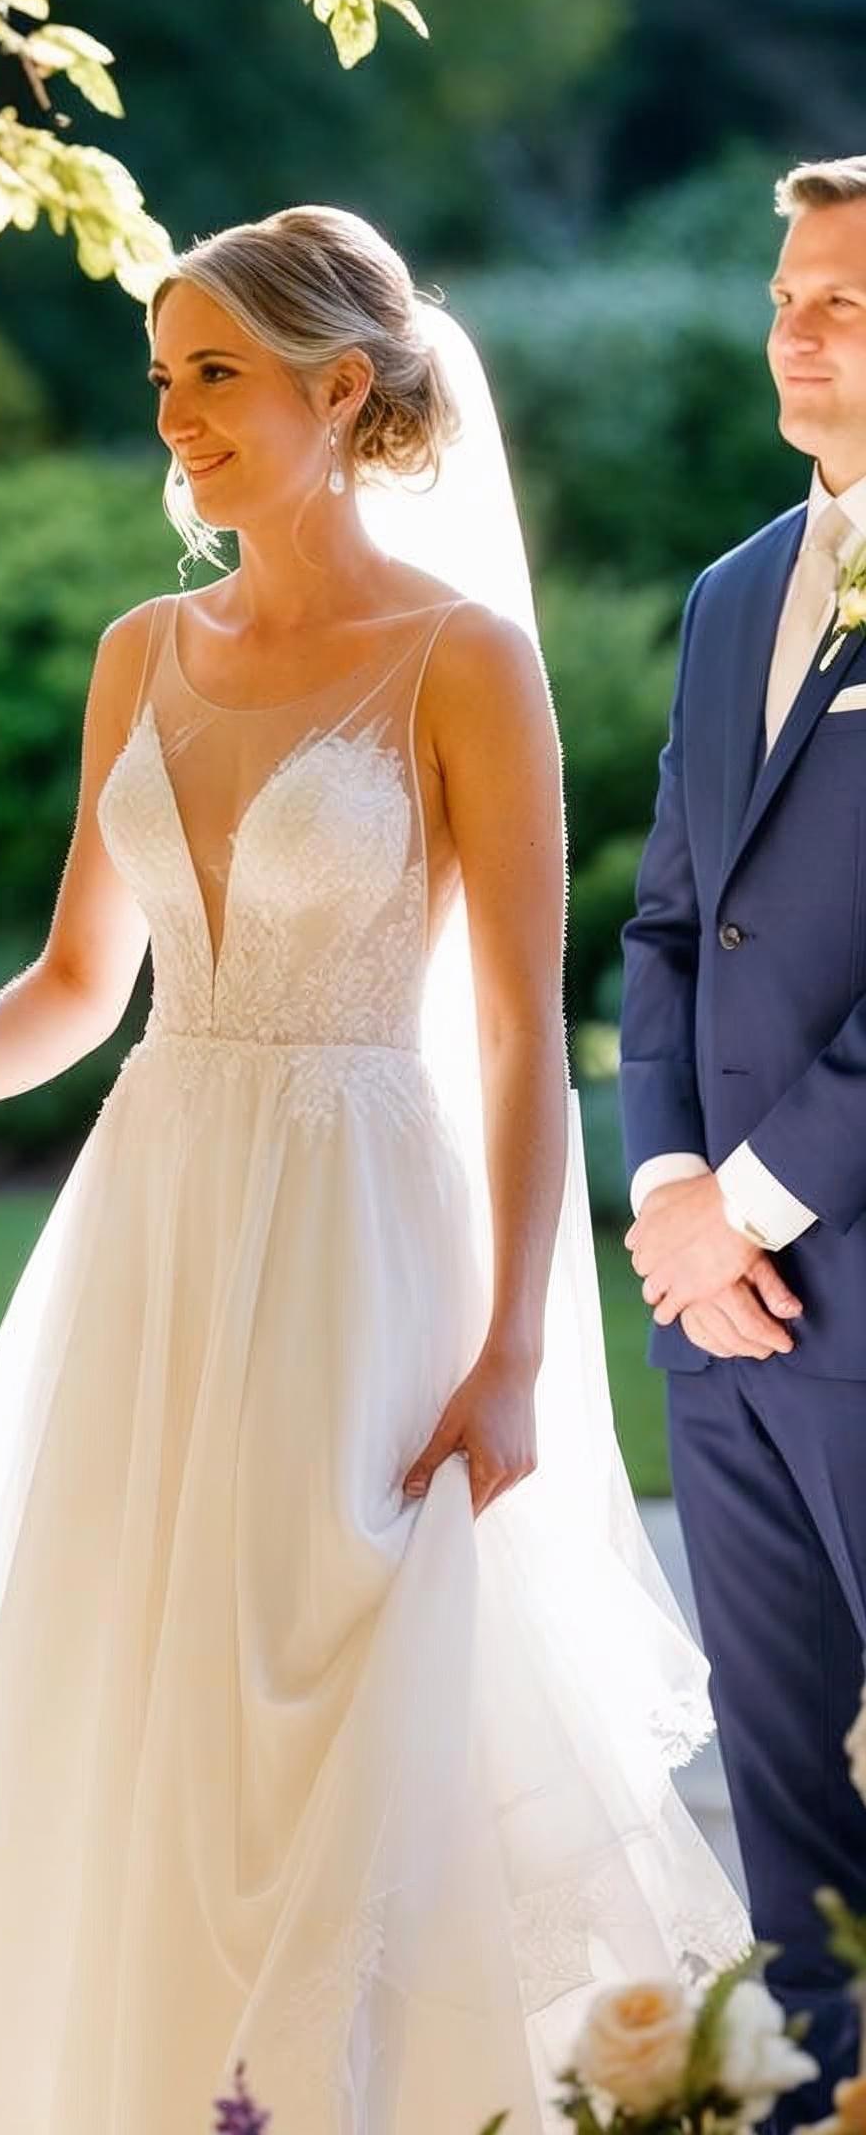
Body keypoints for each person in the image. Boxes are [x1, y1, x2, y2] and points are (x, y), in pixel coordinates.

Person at [0, 207, 746, 2132]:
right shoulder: (141, 652)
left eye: (212, 374)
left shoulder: (460, 660)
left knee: (326, 1702)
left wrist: (512, 1356)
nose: (177, 416)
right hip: (155, 1219)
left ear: (341, 387)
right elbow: (79, 983)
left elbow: (515, 1036)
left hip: (356, 1240)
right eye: (163, 380)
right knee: (124, 1695)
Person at [623, 152, 866, 2126]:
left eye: (843, 298)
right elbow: (662, 917)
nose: (798, 324)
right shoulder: (727, 596)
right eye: (788, 292)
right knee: (776, 1781)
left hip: (834, 1270)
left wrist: (753, 1201)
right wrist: (667, 1187)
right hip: (724, 1316)